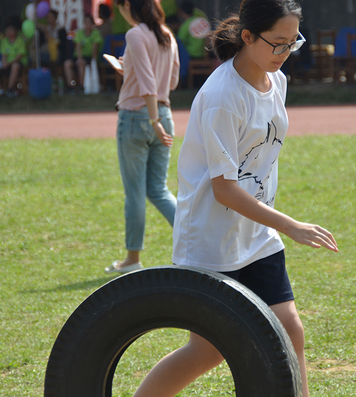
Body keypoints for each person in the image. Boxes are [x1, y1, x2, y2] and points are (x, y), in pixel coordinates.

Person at [133, 1, 337, 396]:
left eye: (292, 43)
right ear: (248, 36)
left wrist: (274, 222)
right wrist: (291, 225)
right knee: (207, 350)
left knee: (290, 329)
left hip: (257, 231)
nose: (285, 52)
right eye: (277, 43)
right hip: (211, 237)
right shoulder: (223, 95)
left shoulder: (276, 80)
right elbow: (224, 189)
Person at [103, 0, 179, 275]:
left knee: (135, 192)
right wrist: (130, 68)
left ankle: (132, 258)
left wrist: (152, 119)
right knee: (158, 189)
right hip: (164, 115)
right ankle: (195, 242)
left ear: (128, 6)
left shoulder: (135, 34)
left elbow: (147, 81)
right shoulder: (167, 34)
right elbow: (170, 82)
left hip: (139, 118)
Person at [63, 14, 103, 92]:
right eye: (85, 22)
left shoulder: (96, 33)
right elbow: (78, 47)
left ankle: (82, 85)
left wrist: (93, 60)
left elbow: (95, 47)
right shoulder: (79, 33)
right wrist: (79, 58)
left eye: (89, 22)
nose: (87, 24)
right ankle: (70, 86)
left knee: (81, 64)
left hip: (89, 57)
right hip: (78, 56)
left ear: (92, 23)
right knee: (67, 64)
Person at [0, 17, 28, 97]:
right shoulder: (4, 41)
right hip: (8, 63)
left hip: (19, 62)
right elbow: (3, 55)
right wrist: (4, 62)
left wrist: (8, 63)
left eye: (10, 30)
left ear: (16, 31)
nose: (8, 32)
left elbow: (19, 56)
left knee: (15, 66)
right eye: (7, 30)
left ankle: (10, 89)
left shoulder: (20, 41)